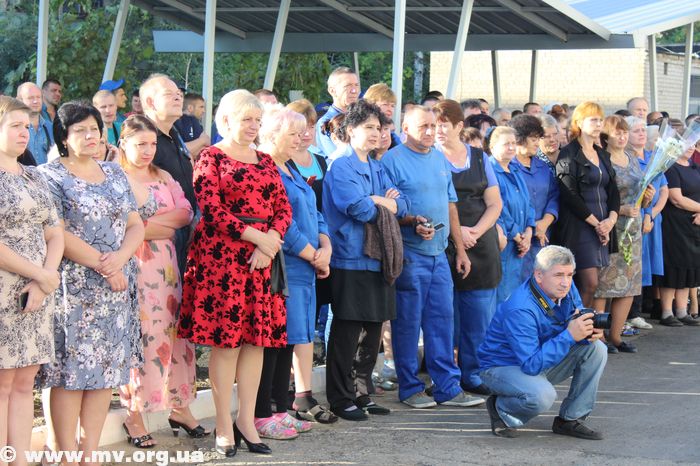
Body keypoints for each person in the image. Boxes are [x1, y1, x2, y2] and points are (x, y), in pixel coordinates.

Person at [178, 89, 292, 457]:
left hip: (261, 261)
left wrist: (269, 243)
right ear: (225, 120)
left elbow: (283, 208)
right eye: (247, 119)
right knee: (226, 344)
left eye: (258, 120)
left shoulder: (265, 160)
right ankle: (224, 425)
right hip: (222, 261)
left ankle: (246, 420)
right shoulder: (210, 157)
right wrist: (260, 239)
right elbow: (211, 209)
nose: (254, 126)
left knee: (255, 342)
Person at [37, 101, 145, 462]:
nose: (90, 136)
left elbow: (135, 223)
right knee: (69, 375)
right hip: (74, 289)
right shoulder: (49, 176)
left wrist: (122, 259)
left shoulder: (113, 173)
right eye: (80, 130)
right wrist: (107, 266)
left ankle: (89, 454)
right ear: (63, 137)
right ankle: (64, 454)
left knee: (105, 374)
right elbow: (57, 234)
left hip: (116, 289)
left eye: (94, 129)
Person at [382, 105, 481, 409]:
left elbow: (450, 205)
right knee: (408, 323)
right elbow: (387, 210)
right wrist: (411, 222)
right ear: (405, 129)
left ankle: (447, 388)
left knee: (442, 322)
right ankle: (410, 388)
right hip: (410, 253)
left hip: (440, 254)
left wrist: (460, 250)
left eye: (433, 125)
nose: (430, 131)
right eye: (422, 126)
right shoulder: (391, 161)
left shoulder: (438, 158)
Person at [117, 115, 206, 447]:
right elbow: (123, 225)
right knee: (142, 338)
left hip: (168, 268)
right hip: (136, 267)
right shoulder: (116, 177)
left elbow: (185, 212)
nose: (148, 151)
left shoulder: (164, 175)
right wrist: (158, 227)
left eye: (153, 144)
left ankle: (180, 407)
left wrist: (148, 224)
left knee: (176, 335)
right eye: (141, 144)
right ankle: (134, 415)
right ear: (123, 143)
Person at [322, 100, 408, 420]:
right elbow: (358, 209)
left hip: (378, 259)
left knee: (371, 332)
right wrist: (383, 202)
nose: (376, 133)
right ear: (350, 129)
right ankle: (340, 397)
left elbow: (404, 203)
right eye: (368, 127)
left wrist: (377, 200)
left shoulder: (377, 166)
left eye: (379, 128)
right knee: (347, 332)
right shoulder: (341, 165)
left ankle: (361, 393)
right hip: (350, 258)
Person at [479, 246, 607, 440]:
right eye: (558, 275)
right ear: (539, 275)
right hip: (502, 367)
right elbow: (531, 364)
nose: (565, 282)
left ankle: (570, 419)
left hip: (539, 355)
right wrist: (570, 335)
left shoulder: (565, 288)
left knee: (596, 349)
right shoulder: (521, 308)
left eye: (569, 275)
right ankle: (501, 408)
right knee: (542, 396)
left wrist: (587, 330)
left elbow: (576, 314)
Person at [253, 108, 327, 437]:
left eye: (302, 132)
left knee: (291, 338)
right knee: (277, 340)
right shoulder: (267, 167)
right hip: (286, 265)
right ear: (271, 135)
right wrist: (313, 254)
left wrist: (325, 247)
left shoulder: (291, 166)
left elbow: (314, 211)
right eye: (293, 133)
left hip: (307, 266)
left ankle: (282, 409)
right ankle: (267, 411)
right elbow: (284, 223)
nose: (300, 138)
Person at [0, 96, 63, 466]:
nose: (25, 132)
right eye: (15, 126)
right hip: (4, 292)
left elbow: (55, 232)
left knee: (25, 384)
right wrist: (41, 275)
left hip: (36, 295)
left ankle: (19, 460)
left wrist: (43, 282)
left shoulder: (34, 175)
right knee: (2, 385)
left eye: (27, 126)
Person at [433, 99, 502, 397]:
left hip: (481, 244)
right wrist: (457, 231)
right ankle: (445, 375)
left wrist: (476, 231)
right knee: (445, 317)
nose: (437, 131)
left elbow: (494, 203)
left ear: (459, 126)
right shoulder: (430, 157)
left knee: (478, 317)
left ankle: (473, 374)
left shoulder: (479, 157)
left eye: (443, 125)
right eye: (433, 125)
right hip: (444, 242)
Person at [594, 116, 657, 352]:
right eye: (617, 133)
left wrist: (647, 198)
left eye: (624, 132)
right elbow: (597, 198)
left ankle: (616, 336)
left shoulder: (632, 158)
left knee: (629, 284)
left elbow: (639, 196)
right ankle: (598, 336)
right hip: (610, 227)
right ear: (606, 136)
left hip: (633, 229)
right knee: (604, 283)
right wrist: (620, 210)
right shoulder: (601, 159)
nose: (622, 137)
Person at [552, 102, 620, 308]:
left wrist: (610, 221)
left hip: (603, 225)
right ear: (579, 123)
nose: (598, 124)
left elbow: (613, 191)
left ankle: (584, 323)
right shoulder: (568, 153)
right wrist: (597, 224)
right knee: (588, 283)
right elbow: (569, 194)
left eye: (600, 120)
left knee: (593, 284)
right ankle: (575, 324)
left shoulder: (602, 154)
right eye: (593, 120)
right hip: (579, 225)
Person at [139, 74, 195, 278]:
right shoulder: (139, 140)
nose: (178, 97)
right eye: (169, 94)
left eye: (179, 93)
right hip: (155, 243)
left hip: (184, 234)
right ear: (150, 102)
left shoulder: (174, 134)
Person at [626, 116, 666, 328]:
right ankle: (629, 313)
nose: (642, 134)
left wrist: (651, 214)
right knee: (630, 263)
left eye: (643, 130)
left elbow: (663, 189)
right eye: (636, 130)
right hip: (631, 216)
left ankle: (636, 311)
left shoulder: (654, 158)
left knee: (644, 264)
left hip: (649, 218)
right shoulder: (625, 158)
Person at [510, 115, 558, 282]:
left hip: (542, 236)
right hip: (518, 238)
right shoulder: (508, 166)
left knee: (540, 283)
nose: (537, 143)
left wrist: (544, 222)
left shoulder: (542, 167)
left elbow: (554, 196)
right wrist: (528, 229)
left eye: (538, 138)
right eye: (533, 139)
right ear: (519, 139)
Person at [490, 126, 536, 303]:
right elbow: (498, 208)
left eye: (513, 143)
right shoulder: (490, 171)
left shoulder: (515, 169)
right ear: (492, 147)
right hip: (505, 242)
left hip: (521, 244)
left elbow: (528, 203)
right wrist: (517, 235)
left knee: (516, 295)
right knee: (501, 297)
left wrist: (529, 232)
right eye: (506, 144)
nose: (511, 147)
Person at [658, 143, 700, 326]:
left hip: (694, 225)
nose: (690, 147)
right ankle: (667, 312)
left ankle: (682, 311)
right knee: (674, 267)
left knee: (689, 267)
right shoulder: (671, 167)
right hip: (675, 225)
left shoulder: (694, 166)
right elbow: (676, 199)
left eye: (693, 144)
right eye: (686, 143)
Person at [315, 67, 359, 157]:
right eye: (348, 86)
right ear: (332, 91)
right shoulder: (326, 123)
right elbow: (339, 158)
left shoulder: (362, 118)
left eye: (356, 85)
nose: (354, 90)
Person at [16, 82, 54, 164]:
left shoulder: (51, 128)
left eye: (38, 97)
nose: (35, 101)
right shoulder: (13, 128)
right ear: (19, 100)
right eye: (30, 98)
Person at [363, 83, 401, 148]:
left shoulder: (393, 137)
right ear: (371, 104)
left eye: (392, 106)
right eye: (385, 104)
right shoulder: (361, 129)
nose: (390, 109)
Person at [174, 93, 210, 158]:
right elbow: (179, 150)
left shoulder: (196, 122)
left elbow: (207, 144)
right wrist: (202, 140)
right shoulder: (176, 122)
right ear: (190, 108)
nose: (204, 111)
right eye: (201, 107)